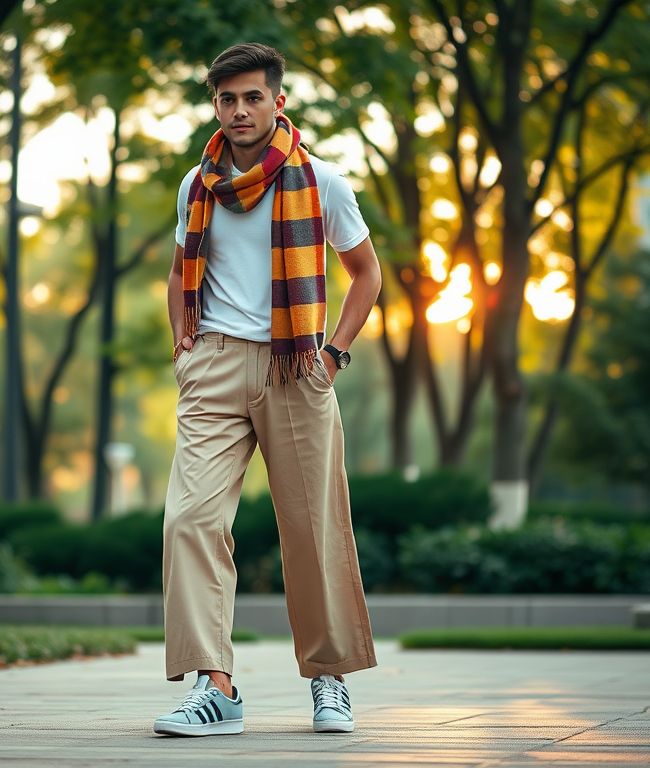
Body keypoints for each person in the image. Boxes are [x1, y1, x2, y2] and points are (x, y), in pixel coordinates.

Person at [154, 42, 381, 738]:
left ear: (278, 102)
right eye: (228, 99)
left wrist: (334, 353)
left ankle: (329, 680)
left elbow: (366, 274)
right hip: (215, 367)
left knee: (312, 531)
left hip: (298, 366)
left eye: (253, 97)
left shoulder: (323, 183)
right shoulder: (197, 185)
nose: (241, 110)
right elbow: (177, 274)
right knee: (189, 520)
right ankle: (213, 686)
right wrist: (183, 349)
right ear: (214, 106)